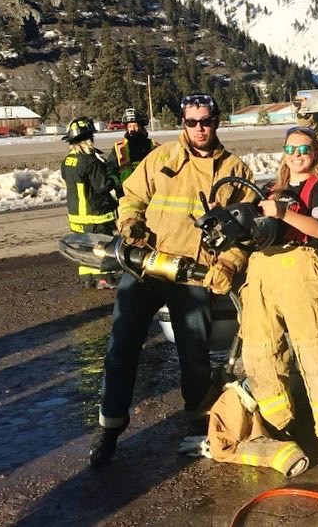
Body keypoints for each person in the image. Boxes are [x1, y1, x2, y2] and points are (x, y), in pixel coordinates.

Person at [89, 93, 254, 467]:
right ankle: (110, 429)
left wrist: (227, 265)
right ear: (183, 123)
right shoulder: (161, 158)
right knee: (121, 347)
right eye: (192, 122)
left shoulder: (235, 172)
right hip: (146, 266)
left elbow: (243, 234)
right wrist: (130, 223)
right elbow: (131, 196)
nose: (199, 129)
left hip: (193, 272)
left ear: (217, 121)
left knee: (193, 354)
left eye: (206, 122)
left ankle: (198, 418)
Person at [239, 126, 318, 474]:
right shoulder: (269, 189)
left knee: (317, 353)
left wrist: (280, 213)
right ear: (284, 153)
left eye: (304, 150)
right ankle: (279, 423)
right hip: (264, 270)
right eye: (291, 149)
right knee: (260, 352)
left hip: (303, 269)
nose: (297, 155)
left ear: (316, 154)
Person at [60, 116, 119, 289]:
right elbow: (102, 186)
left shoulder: (67, 161)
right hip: (95, 215)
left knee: (84, 246)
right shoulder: (90, 161)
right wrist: (114, 176)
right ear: (88, 139)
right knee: (101, 245)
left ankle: (87, 278)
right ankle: (104, 278)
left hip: (76, 215)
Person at [106, 107, 158, 198]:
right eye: (129, 126)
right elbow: (111, 169)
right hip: (125, 194)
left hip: (149, 194)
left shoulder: (152, 145)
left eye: (135, 126)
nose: (132, 129)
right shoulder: (119, 148)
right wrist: (114, 183)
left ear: (141, 127)